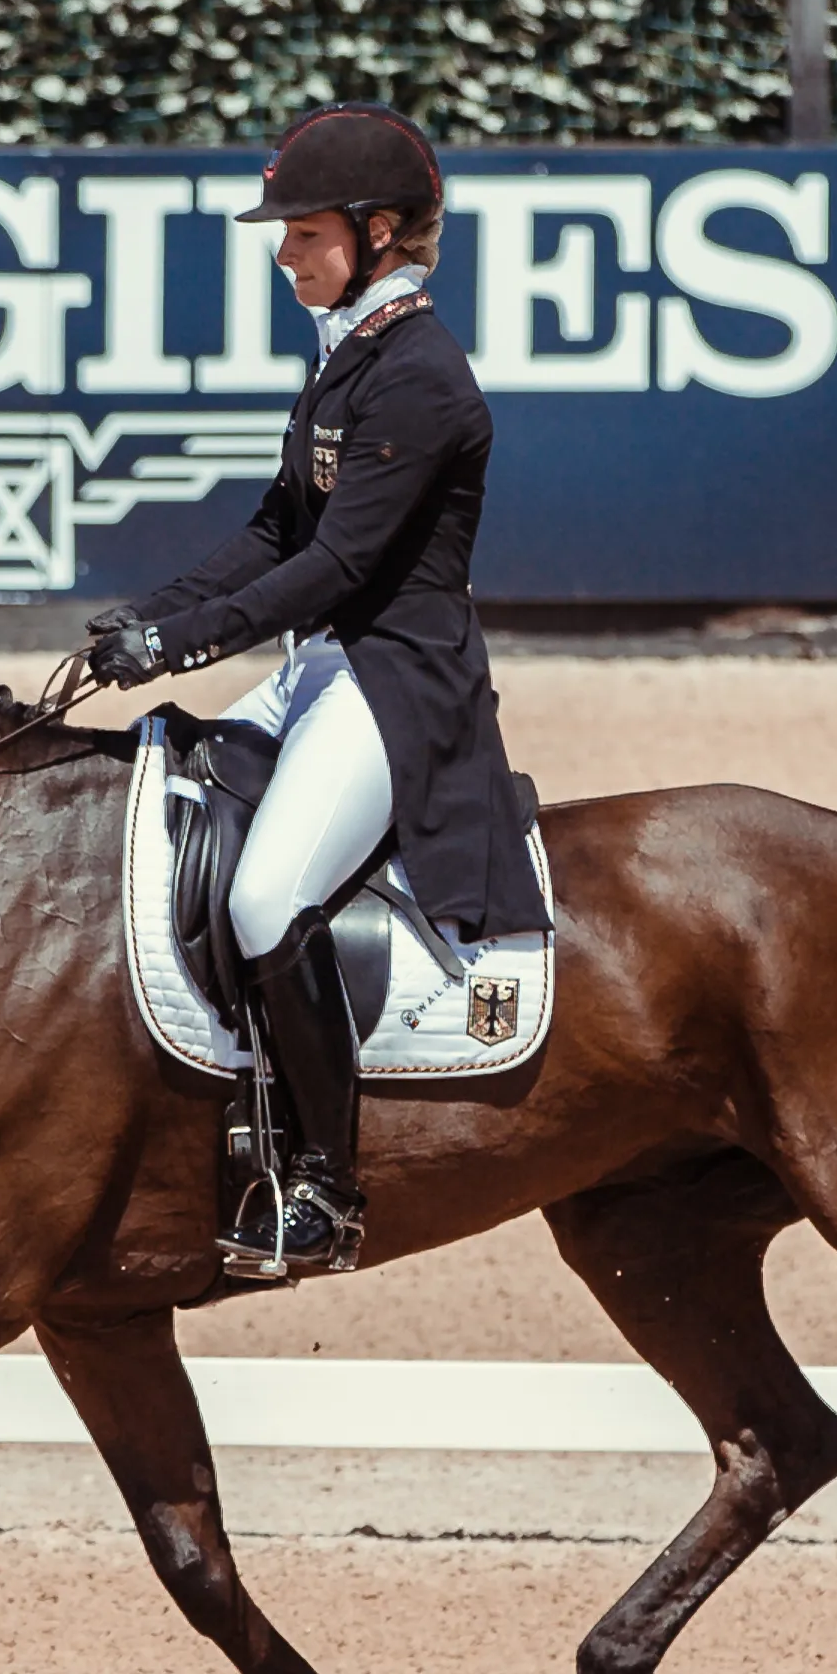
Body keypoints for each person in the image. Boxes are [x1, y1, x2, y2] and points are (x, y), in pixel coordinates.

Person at [85, 101, 549, 1279]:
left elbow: (337, 569)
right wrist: (153, 616)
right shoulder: (349, 358)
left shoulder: (423, 380)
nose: (283, 255)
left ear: (379, 231)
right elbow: (274, 529)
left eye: (301, 234)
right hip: (324, 667)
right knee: (174, 820)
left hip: (398, 682)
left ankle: (324, 1189)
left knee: (262, 901)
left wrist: (184, 644)